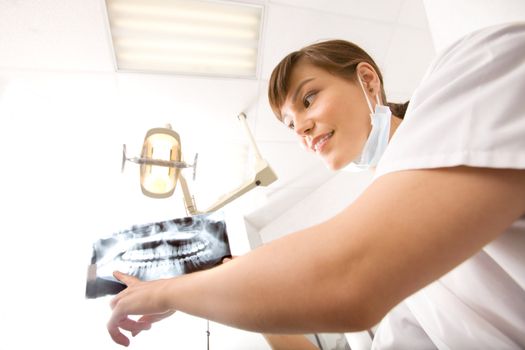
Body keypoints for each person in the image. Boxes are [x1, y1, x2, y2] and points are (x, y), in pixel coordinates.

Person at [106, 22, 525, 349]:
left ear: (368, 80)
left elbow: (349, 281)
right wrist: (216, 286)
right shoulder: (404, 257)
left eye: (308, 99)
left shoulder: (475, 69)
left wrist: (170, 293)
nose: (302, 129)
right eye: (290, 126)